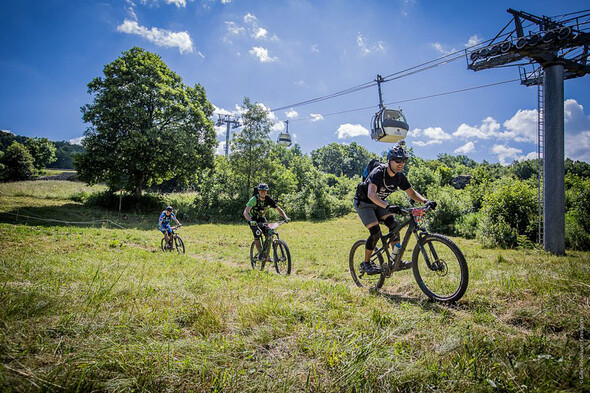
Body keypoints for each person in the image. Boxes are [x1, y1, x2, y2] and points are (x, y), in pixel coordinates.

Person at [354, 144, 437, 275]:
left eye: (404, 160)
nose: (401, 163)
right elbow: (371, 194)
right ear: (390, 160)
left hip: (380, 203)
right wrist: (388, 206)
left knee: (394, 225)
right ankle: (366, 263)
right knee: (375, 231)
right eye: (397, 160)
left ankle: (395, 261)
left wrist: (426, 201)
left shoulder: (399, 177)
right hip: (364, 202)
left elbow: (412, 193)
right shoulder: (379, 172)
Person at [243, 183, 289, 256]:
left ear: (267, 191)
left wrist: (285, 217)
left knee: (268, 232)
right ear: (258, 191)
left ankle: (265, 250)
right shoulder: (254, 199)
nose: (263, 192)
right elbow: (245, 212)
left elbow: (279, 209)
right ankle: (261, 254)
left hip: (261, 218)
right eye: (261, 191)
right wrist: (250, 220)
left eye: (265, 191)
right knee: (257, 233)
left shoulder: (268, 199)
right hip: (252, 219)